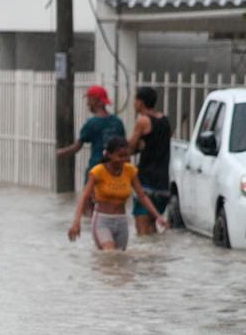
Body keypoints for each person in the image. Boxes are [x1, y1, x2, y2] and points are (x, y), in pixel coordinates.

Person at [69, 136, 169, 250]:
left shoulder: (130, 171)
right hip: (102, 221)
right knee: (110, 253)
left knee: (120, 261)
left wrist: (158, 216)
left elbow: (142, 195)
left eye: (126, 155)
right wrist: (76, 222)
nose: (124, 159)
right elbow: (84, 197)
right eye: (120, 156)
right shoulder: (97, 172)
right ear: (109, 155)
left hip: (121, 221)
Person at [56, 85, 126, 212]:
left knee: (88, 210)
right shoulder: (117, 122)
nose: (87, 103)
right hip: (115, 171)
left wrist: (60, 152)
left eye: (89, 99)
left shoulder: (91, 123)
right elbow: (125, 148)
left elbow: (77, 147)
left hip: (95, 171)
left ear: (96, 101)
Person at [127, 86, 172, 235]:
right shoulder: (165, 121)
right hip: (163, 183)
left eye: (135, 100)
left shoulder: (143, 121)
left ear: (141, 102)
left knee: (142, 231)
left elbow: (129, 149)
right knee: (152, 228)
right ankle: (155, 258)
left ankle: (145, 259)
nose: (134, 104)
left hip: (146, 181)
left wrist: (138, 147)